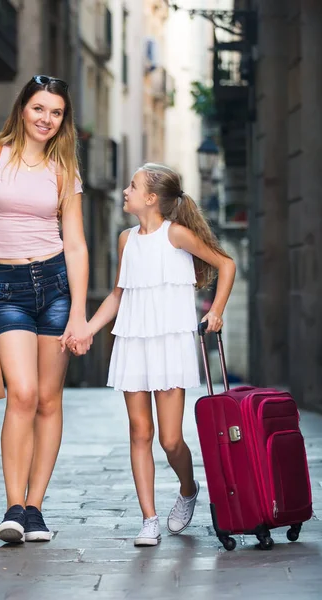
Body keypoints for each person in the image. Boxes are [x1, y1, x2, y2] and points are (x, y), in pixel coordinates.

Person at [0, 75, 93, 544]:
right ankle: (13, 506)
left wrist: (78, 313)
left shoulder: (64, 167)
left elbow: (74, 243)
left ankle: (35, 508)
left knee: (50, 401)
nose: (46, 119)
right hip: (8, 288)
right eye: (39, 109)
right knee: (24, 393)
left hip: (55, 285)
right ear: (22, 108)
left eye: (55, 112)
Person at [67, 163, 236, 546]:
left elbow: (226, 264)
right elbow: (118, 294)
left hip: (170, 342)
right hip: (134, 340)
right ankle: (149, 519)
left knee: (170, 439)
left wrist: (216, 311)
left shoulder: (176, 234)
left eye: (132, 185)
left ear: (151, 198)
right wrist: (87, 329)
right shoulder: (126, 240)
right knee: (140, 432)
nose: (125, 191)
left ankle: (188, 488)